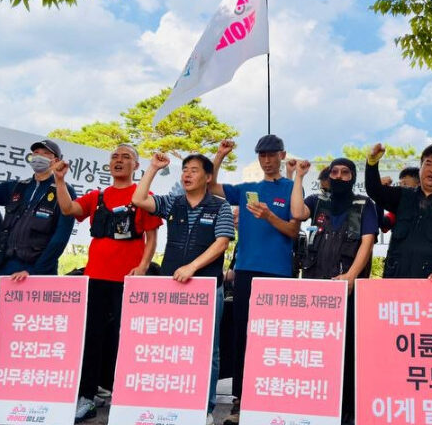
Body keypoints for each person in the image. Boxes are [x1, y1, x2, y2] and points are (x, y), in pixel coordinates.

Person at [53, 144, 162, 421]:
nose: (119, 160)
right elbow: (68, 209)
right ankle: (87, 396)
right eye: (115, 156)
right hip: (95, 276)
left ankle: (123, 395)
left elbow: (152, 237)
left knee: (124, 338)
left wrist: (143, 266)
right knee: (92, 337)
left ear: (136, 166)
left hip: (128, 279)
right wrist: (60, 180)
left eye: (126, 157)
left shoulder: (143, 196)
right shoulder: (98, 196)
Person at [210, 135, 309, 424]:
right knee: (242, 334)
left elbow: (294, 229)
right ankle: (240, 398)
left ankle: (272, 396)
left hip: (279, 272)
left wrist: (268, 217)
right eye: (261, 155)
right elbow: (212, 186)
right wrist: (220, 156)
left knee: (274, 337)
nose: (266, 160)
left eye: (271, 155)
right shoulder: (247, 189)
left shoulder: (291, 187)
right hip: (246, 271)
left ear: (281, 155)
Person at [132, 153, 234, 425]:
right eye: (184, 170)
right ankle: (173, 399)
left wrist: (192, 267)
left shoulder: (220, 206)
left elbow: (222, 242)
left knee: (207, 348)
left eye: (194, 170)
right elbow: (139, 199)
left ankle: (205, 406)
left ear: (208, 177)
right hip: (172, 286)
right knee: (171, 344)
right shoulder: (172, 203)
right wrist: (153, 168)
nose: (187, 175)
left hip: (208, 287)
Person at [302, 158, 378, 425]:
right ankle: (316, 405)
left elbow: (367, 243)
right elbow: (295, 212)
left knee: (346, 351)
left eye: (345, 173)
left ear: (353, 177)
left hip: (346, 288)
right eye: (334, 172)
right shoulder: (315, 202)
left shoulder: (365, 205)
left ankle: (346, 409)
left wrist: (351, 277)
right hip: (315, 288)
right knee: (315, 349)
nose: (339, 176)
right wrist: (298, 177)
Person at [0, 139, 76, 280]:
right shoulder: (16, 187)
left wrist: (35, 272)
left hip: (39, 271)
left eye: (46, 153)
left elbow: (60, 237)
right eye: (35, 153)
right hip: (6, 267)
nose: (39, 157)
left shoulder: (65, 191)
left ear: (56, 160)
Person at [365, 143, 432, 280]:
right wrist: (372, 163)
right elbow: (375, 190)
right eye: (427, 164)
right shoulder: (403, 195)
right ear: (420, 168)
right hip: (396, 279)